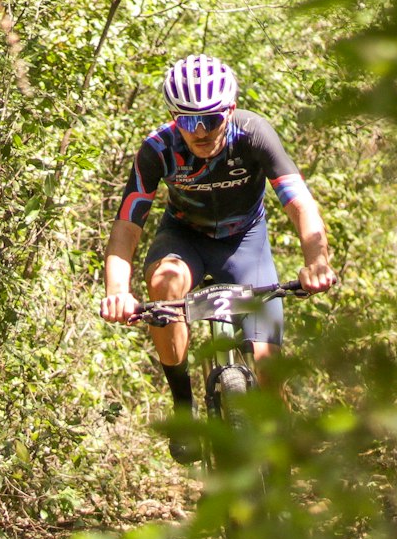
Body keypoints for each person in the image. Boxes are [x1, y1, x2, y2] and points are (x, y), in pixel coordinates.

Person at [99, 54, 336, 442]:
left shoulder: (254, 134)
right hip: (185, 238)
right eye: (188, 121)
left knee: (267, 369)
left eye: (211, 119)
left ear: (231, 110)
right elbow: (127, 225)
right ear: (175, 118)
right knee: (163, 283)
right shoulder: (158, 149)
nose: (200, 131)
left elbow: (299, 204)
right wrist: (117, 293)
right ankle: (183, 409)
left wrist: (317, 262)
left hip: (245, 243)